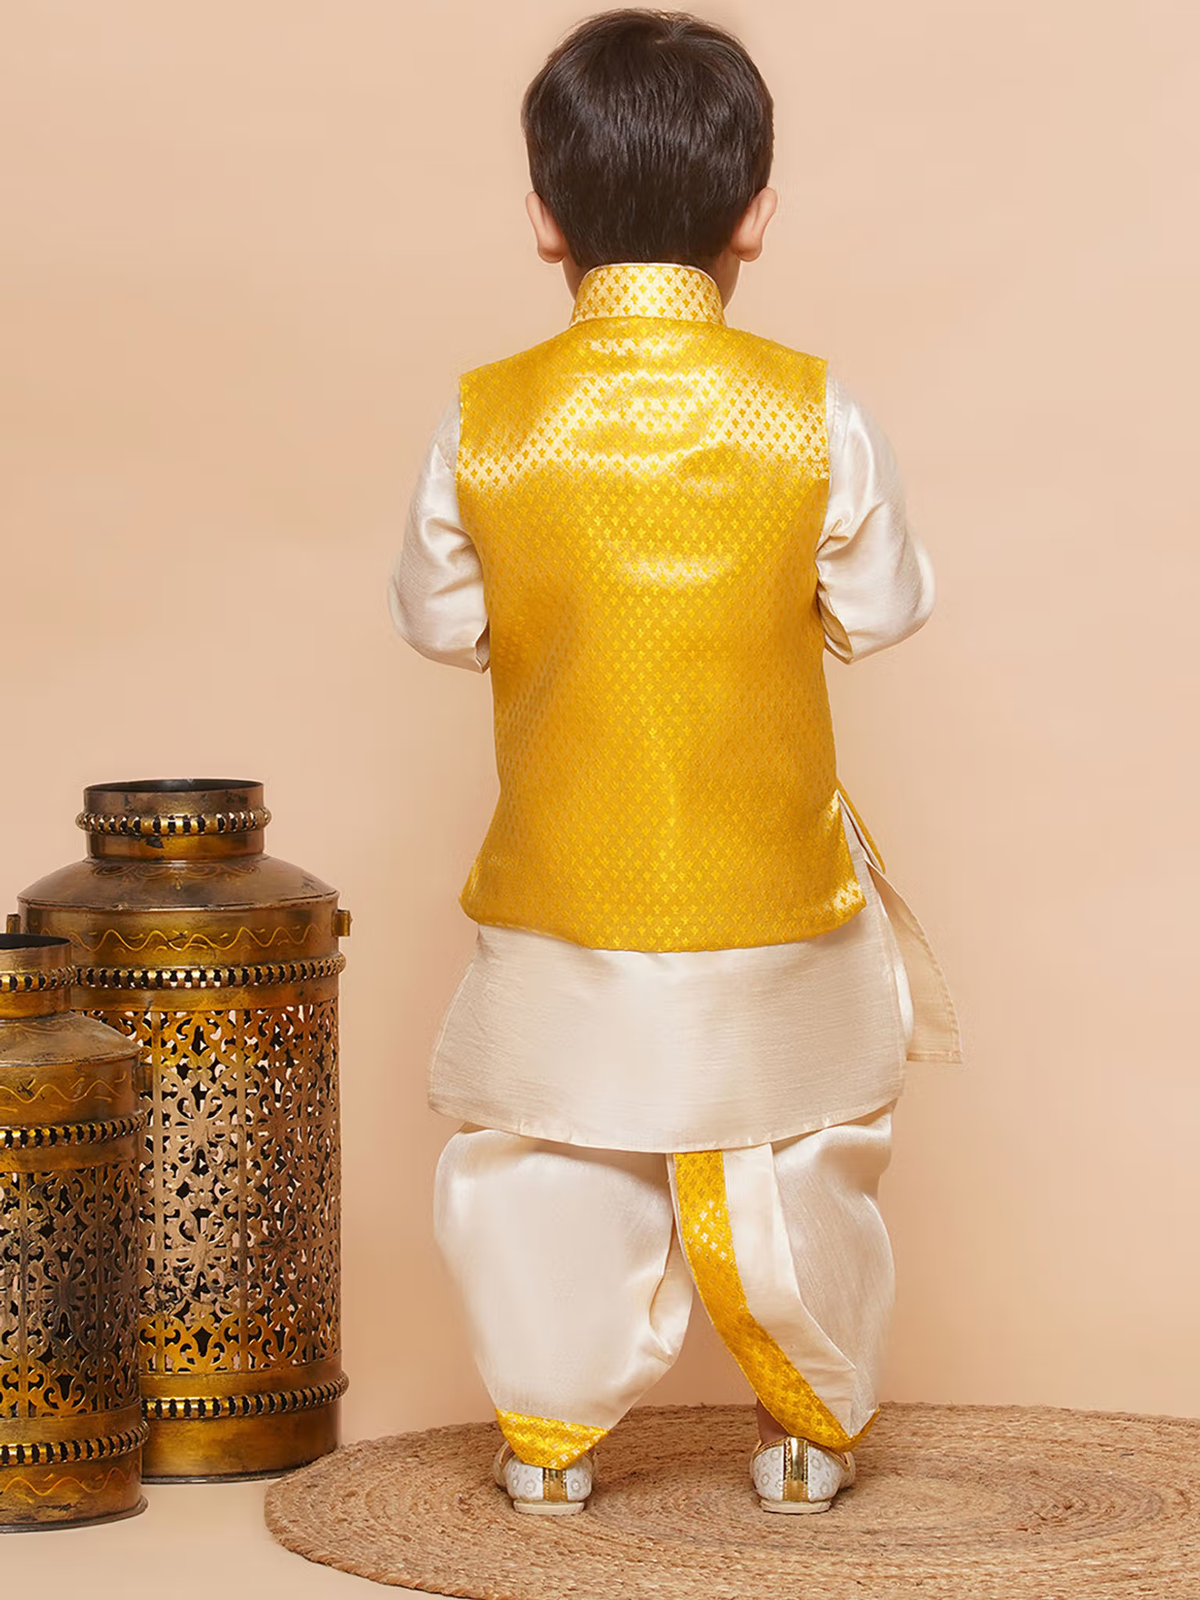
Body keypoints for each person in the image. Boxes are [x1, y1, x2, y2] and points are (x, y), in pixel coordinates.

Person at [389, 7, 962, 1517]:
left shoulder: (483, 422)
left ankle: (545, 1447)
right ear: (756, 217)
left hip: (561, 875)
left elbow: (441, 624)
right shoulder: (812, 405)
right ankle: (811, 1434)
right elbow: (888, 609)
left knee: (552, 1155)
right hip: (771, 870)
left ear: (541, 221)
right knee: (799, 1156)